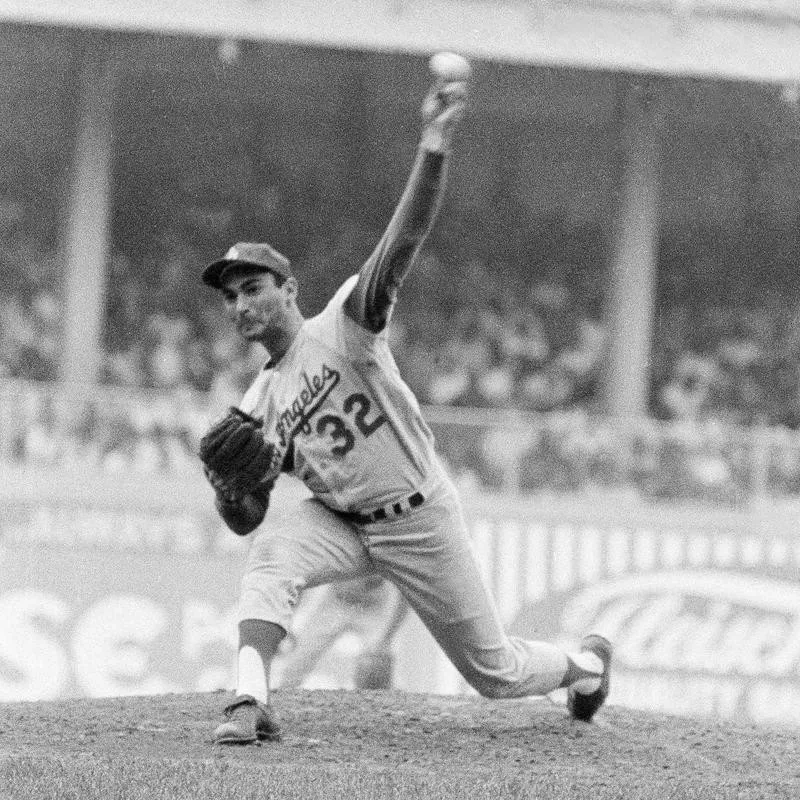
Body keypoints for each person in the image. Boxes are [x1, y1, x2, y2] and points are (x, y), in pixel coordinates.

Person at [198, 71, 612, 745]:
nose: (241, 304)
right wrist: (229, 493)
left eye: (253, 287)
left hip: (418, 517)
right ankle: (249, 699)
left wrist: (434, 145)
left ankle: (588, 665)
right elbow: (247, 521)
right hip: (342, 524)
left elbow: (404, 239)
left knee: (495, 673)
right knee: (272, 552)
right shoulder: (257, 402)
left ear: (289, 289)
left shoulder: (343, 325)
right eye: (231, 296)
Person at [275, 575, 408, 691]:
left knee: (375, 666)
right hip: (335, 601)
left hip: (374, 605)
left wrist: (386, 638)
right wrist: (287, 620)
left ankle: (380, 710)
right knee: (294, 667)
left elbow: (406, 591)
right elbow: (303, 574)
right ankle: (274, 709)